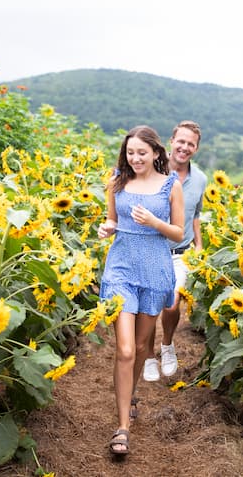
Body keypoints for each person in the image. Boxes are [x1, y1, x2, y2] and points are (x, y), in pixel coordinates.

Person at [98, 125, 185, 457]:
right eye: (130, 152)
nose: (135, 158)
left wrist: (154, 222)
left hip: (155, 270)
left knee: (139, 345)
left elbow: (177, 233)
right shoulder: (118, 181)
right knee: (124, 350)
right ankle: (122, 427)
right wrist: (107, 228)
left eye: (142, 153)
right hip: (121, 267)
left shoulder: (169, 186)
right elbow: (112, 221)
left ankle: (130, 393)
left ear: (156, 153)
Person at [143, 120, 207, 381]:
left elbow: (196, 214)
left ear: (196, 148)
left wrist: (199, 244)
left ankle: (166, 346)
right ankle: (147, 356)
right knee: (148, 307)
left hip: (180, 253)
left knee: (171, 304)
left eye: (190, 144)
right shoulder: (151, 170)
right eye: (181, 141)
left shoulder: (200, 178)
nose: (184, 147)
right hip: (150, 249)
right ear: (171, 141)